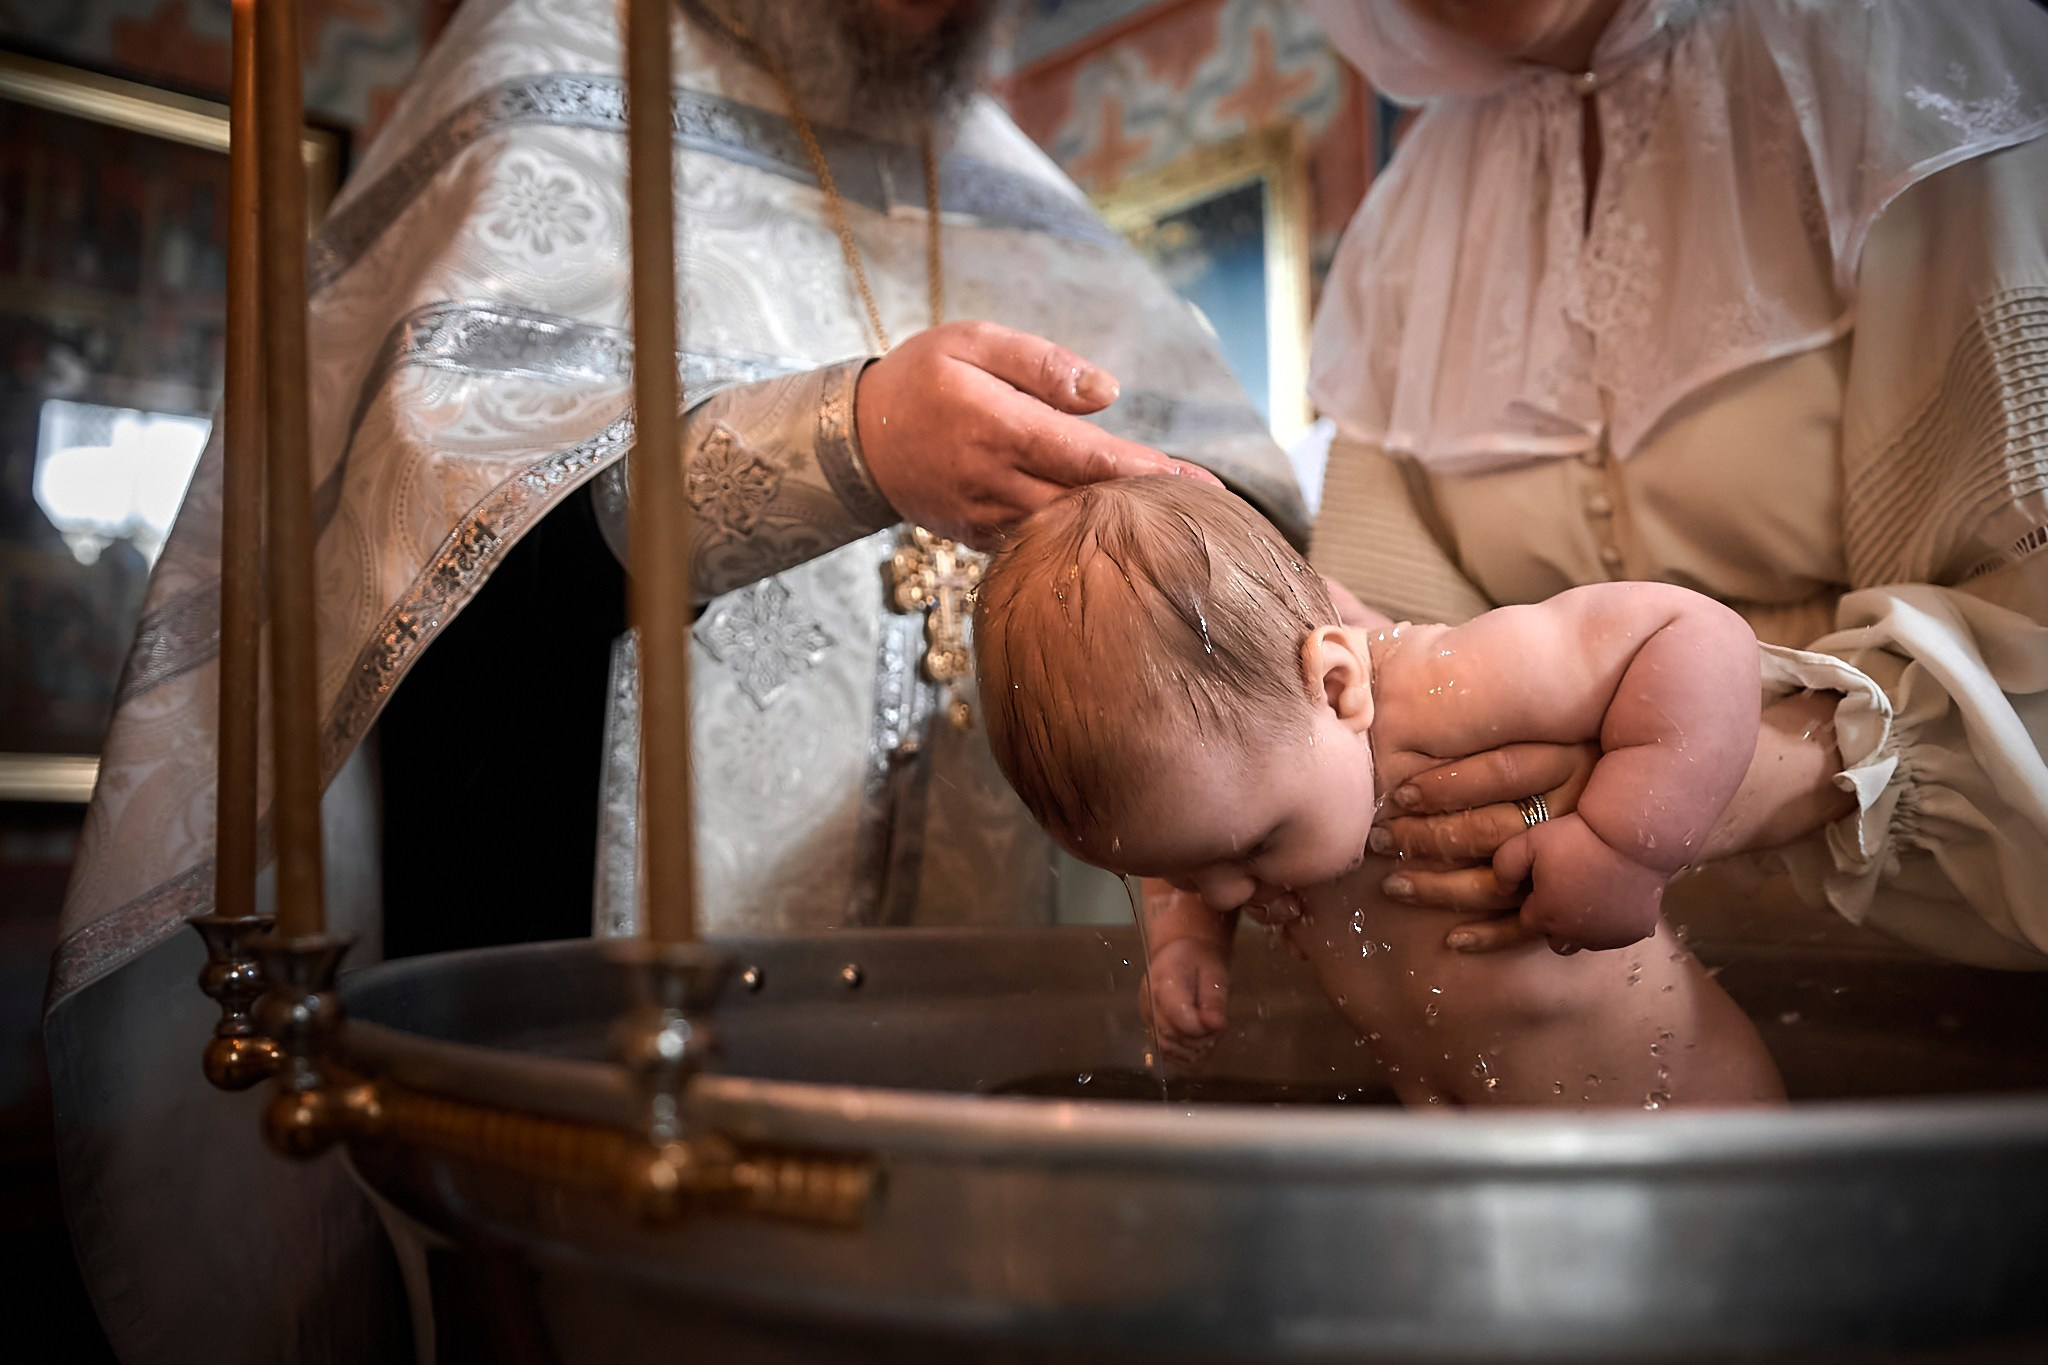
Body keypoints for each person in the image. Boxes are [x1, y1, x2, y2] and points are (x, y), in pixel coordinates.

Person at [42, 1, 1307, 1360]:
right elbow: (427, 565)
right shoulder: (546, 66)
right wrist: (848, 441)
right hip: (607, 1052)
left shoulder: (1006, 178)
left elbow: (1239, 532)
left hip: (972, 1101)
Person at [1297, 0, 2048, 990]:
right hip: (1552, 967)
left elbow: (2027, 599)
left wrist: (1692, 787)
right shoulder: (1403, 226)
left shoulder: (1920, 60)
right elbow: (1371, 651)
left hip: (1952, 934)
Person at [974, 475, 1782, 1107]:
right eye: (1180, 871)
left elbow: (1698, 636)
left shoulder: (1445, 689)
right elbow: (1198, 838)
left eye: (1254, 847)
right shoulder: (1244, 788)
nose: (1226, 893)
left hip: (1683, 1132)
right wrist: (1187, 939)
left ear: (1336, 687)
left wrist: (1625, 845)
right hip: (1479, 1171)